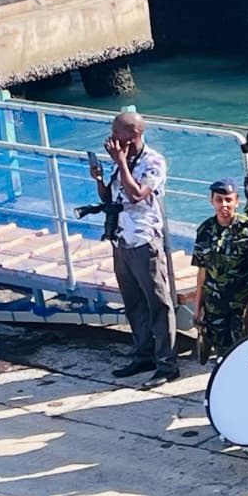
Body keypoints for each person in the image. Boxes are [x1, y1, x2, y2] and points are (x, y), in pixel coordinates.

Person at [90, 111, 179, 388]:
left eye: (117, 133)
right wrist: (99, 179)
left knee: (158, 303)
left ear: (134, 134)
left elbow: (137, 194)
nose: (112, 139)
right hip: (121, 239)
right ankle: (144, 354)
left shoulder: (153, 162)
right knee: (133, 302)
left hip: (143, 240)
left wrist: (120, 162)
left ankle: (167, 363)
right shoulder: (122, 160)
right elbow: (111, 197)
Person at [190, 180, 248, 362]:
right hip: (215, 304)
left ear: (237, 201)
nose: (224, 205)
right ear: (211, 201)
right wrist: (197, 307)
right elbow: (202, 271)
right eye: (219, 200)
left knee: (246, 350)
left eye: (228, 200)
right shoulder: (205, 230)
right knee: (222, 353)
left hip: (243, 304)